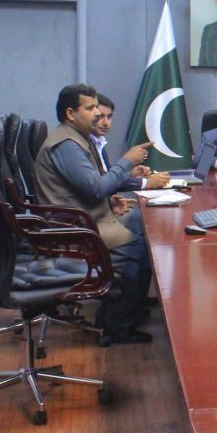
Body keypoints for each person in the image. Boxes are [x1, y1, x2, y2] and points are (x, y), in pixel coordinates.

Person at [32, 84, 155, 344]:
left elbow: (86, 188)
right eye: (90, 108)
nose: (97, 114)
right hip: (75, 228)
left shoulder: (78, 138)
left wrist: (109, 201)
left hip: (86, 218)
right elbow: (95, 187)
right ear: (70, 113)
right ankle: (117, 325)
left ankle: (129, 307)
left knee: (144, 224)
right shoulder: (66, 145)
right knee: (138, 248)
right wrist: (127, 161)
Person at [91, 94, 169, 191]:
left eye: (109, 117)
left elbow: (109, 181)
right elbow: (100, 186)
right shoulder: (85, 145)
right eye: (100, 116)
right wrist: (147, 183)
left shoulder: (99, 143)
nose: (106, 123)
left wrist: (130, 175)